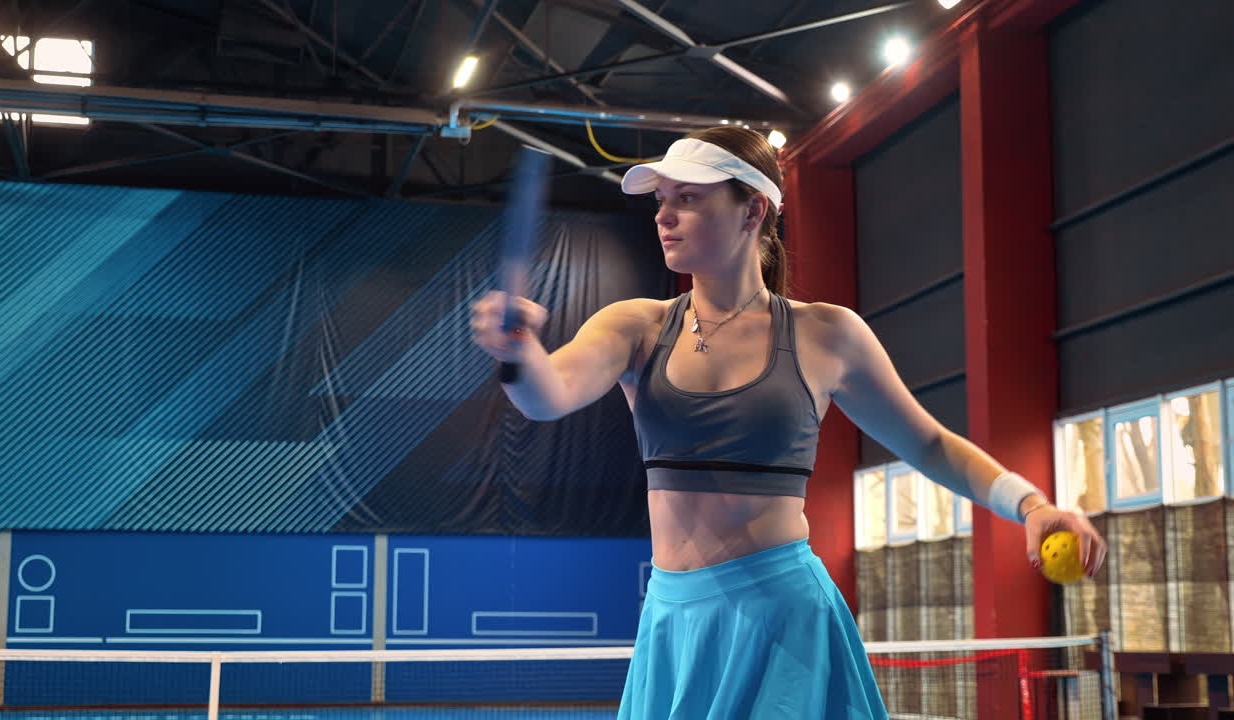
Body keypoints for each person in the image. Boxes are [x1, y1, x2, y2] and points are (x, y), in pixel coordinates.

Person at [470, 126, 1108, 719]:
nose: (664, 215)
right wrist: (519, 352)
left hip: (785, 618)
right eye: (662, 199)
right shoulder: (635, 324)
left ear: (753, 212)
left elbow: (929, 443)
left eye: (688, 198)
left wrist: (1031, 505)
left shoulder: (827, 334)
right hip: (674, 622)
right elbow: (547, 395)